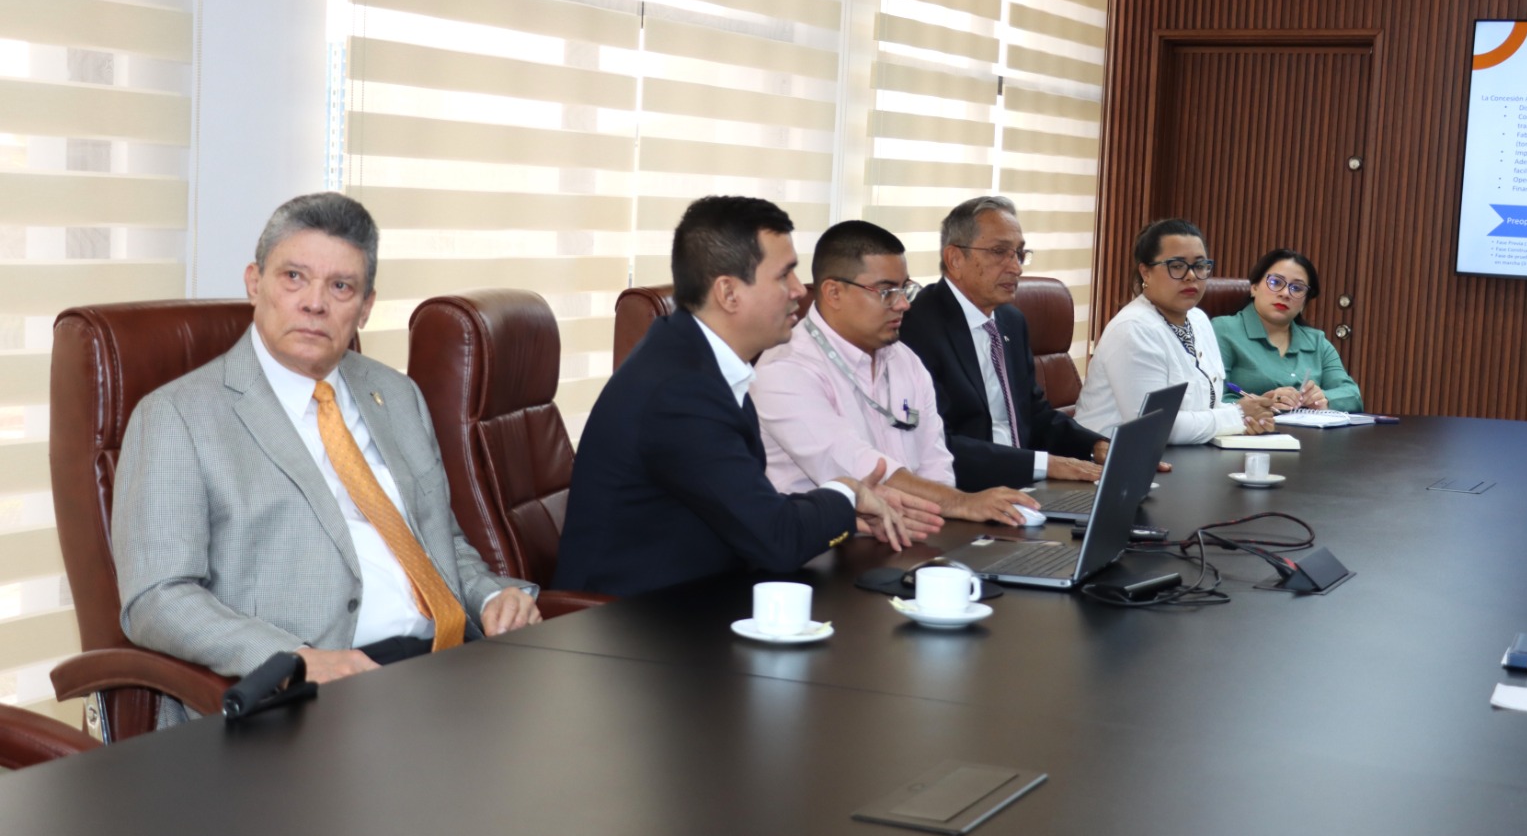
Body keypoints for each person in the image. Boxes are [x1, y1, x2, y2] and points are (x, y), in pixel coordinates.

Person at [114, 193, 541, 716]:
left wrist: (492, 597)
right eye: (294, 277)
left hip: (451, 666)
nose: (315, 303)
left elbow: (439, 541)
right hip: (308, 694)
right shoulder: (177, 417)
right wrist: (293, 659)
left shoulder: (396, 395)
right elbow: (157, 598)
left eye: (341, 287)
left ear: (366, 307)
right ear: (254, 282)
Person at [556, 197, 940, 598]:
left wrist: (841, 513)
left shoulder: (697, 362)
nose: (799, 290)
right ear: (728, 293)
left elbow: (746, 504)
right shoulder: (680, 391)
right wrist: (848, 493)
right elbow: (776, 540)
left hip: (696, 603)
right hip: (626, 622)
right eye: (784, 275)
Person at [753, 220, 1041, 526]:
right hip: (829, 543)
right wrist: (962, 503)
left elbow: (936, 464)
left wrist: (939, 521)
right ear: (834, 293)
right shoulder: (784, 369)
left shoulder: (905, 360)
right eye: (887, 291)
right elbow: (857, 468)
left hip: (913, 530)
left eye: (905, 289)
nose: (903, 304)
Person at [898, 196, 1108, 492]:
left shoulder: (1011, 320)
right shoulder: (917, 326)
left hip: (1026, 485)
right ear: (955, 259)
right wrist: (1043, 464)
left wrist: (1095, 446)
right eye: (999, 252)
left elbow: (1033, 414)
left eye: (1019, 253)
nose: (1016, 268)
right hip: (968, 494)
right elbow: (935, 443)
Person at [1075, 218, 1276, 444]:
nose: (1191, 276)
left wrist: (1252, 414)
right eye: (1177, 266)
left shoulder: (1198, 319)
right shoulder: (1133, 330)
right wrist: (1237, 415)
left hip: (1183, 454)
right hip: (1112, 460)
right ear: (1146, 272)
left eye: (1199, 266)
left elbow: (1206, 407)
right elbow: (1153, 425)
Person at [1213, 249, 1363, 412]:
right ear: (1254, 287)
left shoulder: (1317, 342)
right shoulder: (1222, 330)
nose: (1285, 293)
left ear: (1304, 301)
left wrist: (1323, 399)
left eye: (1297, 288)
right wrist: (1261, 403)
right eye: (1275, 282)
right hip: (1248, 427)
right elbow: (1210, 398)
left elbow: (1353, 396)